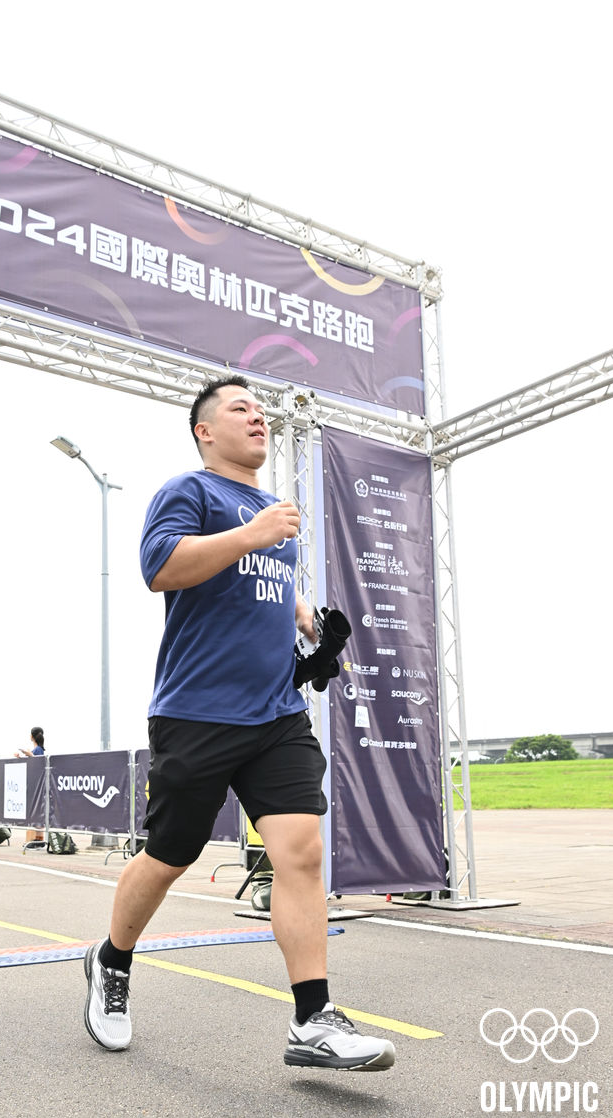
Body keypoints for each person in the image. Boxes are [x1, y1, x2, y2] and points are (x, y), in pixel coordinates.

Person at [83, 376, 395, 1072]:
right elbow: (160, 568)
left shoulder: (269, 510)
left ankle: (312, 1021)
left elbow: (260, 582)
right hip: (196, 711)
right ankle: (112, 960)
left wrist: (303, 616)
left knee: (301, 853)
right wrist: (254, 532)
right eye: (239, 409)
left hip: (276, 713)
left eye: (259, 409)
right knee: (171, 855)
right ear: (205, 430)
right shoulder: (189, 492)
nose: (258, 418)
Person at [15, 727, 45, 847]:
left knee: (37, 812)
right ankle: (38, 839)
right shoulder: (37, 749)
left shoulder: (38, 750)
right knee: (36, 812)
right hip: (35, 784)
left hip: (37, 785)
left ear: (32, 736)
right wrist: (23, 757)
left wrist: (30, 755)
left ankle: (39, 839)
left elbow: (39, 763)